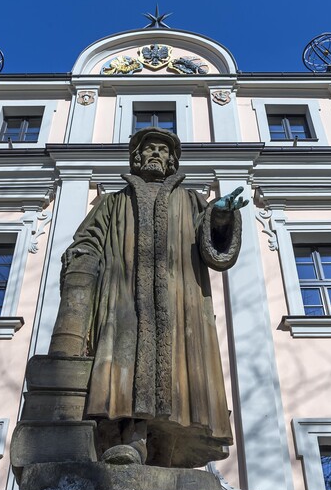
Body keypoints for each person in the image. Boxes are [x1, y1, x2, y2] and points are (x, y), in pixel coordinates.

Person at [48, 127, 247, 468]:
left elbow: (215, 252)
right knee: (121, 367)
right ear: (137, 157)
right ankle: (128, 438)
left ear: (172, 160)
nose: (156, 154)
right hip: (122, 297)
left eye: (163, 150)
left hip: (179, 303)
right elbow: (87, 241)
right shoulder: (114, 201)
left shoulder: (191, 200)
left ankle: (164, 445)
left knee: (177, 373)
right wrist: (82, 260)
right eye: (149, 149)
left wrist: (222, 216)